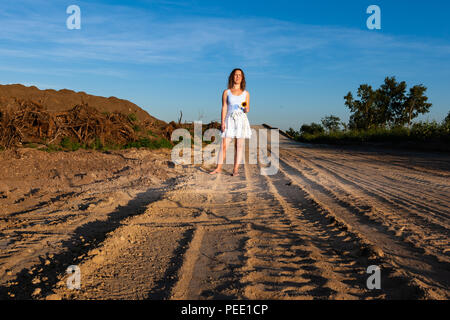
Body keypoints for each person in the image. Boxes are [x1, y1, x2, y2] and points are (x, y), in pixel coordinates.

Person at [209, 68, 252, 176]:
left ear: (242, 78)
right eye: (235, 75)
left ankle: (235, 169)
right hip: (229, 119)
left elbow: (247, 109)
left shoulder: (246, 93)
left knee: (239, 146)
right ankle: (218, 168)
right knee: (224, 145)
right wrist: (222, 122)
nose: (237, 77)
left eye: (240, 75)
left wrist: (245, 108)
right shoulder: (226, 92)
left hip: (241, 119)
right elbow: (224, 107)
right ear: (232, 77)